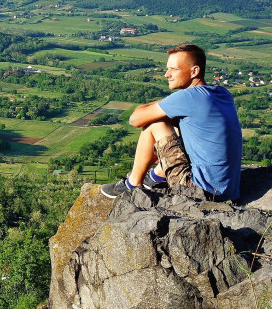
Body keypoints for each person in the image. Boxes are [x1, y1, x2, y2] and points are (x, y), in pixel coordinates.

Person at [100, 44, 242, 201]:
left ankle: (133, 184)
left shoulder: (189, 97)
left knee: (154, 123)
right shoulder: (222, 93)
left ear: (194, 71)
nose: (167, 74)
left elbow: (135, 119)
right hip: (228, 190)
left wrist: (166, 103)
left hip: (200, 191)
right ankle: (156, 176)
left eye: (174, 69)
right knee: (178, 120)